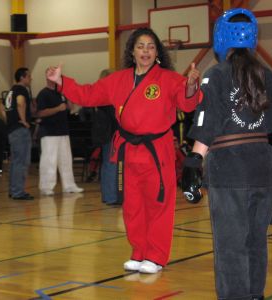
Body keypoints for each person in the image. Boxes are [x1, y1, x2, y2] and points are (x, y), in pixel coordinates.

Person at [46, 27, 200, 274]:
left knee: (159, 204)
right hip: (129, 151)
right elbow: (88, 94)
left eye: (151, 46)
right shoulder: (118, 79)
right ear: (132, 51)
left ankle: (156, 256)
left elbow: (186, 101)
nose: (146, 51)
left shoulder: (169, 79)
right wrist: (61, 82)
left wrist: (191, 85)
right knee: (133, 206)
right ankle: (139, 252)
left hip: (157, 150)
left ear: (157, 52)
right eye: (140, 46)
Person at [181, 9, 272, 300]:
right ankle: (255, 295)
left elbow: (208, 119)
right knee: (256, 241)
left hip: (230, 170)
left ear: (221, 37)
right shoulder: (267, 75)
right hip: (263, 167)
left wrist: (194, 161)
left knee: (231, 246)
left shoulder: (217, 74)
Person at [36, 74, 84, 196]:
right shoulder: (43, 94)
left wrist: (67, 95)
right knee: (49, 160)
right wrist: (57, 109)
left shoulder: (60, 92)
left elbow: (71, 108)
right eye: (52, 76)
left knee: (66, 160)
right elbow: (40, 113)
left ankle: (69, 185)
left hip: (63, 131)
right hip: (49, 132)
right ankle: (46, 187)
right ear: (47, 78)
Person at [2, 67, 34, 200]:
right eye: (28, 76)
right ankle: (18, 192)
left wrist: (9, 121)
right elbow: (21, 103)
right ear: (22, 77)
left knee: (15, 161)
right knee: (21, 161)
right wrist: (24, 120)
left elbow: (2, 108)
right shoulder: (21, 90)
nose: (30, 78)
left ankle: (13, 190)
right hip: (20, 130)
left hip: (12, 130)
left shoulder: (10, 91)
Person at [89, 69, 119, 205]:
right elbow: (115, 116)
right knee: (111, 164)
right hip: (110, 132)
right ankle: (112, 196)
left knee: (107, 164)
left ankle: (108, 196)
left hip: (103, 132)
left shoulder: (98, 92)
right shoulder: (109, 94)